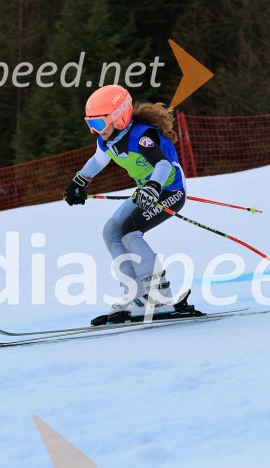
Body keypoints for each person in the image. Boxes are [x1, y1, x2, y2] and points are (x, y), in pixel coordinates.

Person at [64, 84, 188, 324]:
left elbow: (163, 166)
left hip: (169, 190)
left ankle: (160, 296)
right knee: (111, 231)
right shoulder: (107, 140)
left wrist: (153, 187)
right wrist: (79, 181)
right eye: (89, 124)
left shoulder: (143, 137)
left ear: (119, 118)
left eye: (98, 124)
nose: (94, 130)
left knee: (130, 231)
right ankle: (137, 296)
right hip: (147, 191)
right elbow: (98, 161)